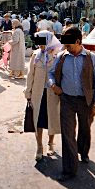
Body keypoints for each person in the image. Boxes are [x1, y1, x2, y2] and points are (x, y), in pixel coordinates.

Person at [48, 27, 95, 182]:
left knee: (85, 129)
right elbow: (51, 73)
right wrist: (53, 85)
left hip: (86, 101)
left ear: (78, 41)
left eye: (68, 42)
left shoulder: (92, 58)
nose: (65, 46)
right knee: (68, 134)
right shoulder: (61, 57)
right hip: (67, 100)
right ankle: (69, 169)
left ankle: (83, 152)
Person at [25, 31, 62, 161]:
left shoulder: (57, 56)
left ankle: (51, 143)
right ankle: (39, 147)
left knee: (52, 119)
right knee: (38, 121)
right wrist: (28, 92)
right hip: (38, 94)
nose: (40, 45)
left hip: (52, 94)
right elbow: (30, 75)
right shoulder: (35, 56)